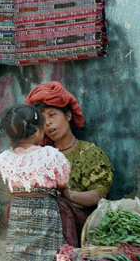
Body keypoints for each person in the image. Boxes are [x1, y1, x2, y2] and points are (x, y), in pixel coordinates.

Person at [25, 81, 114, 247]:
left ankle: (66, 254)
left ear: (68, 115)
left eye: (52, 115)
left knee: (58, 205)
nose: (48, 123)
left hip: (83, 222)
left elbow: (98, 195)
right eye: (43, 119)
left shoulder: (89, 153)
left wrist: (68, 195)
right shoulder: (41, 155)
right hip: (47, 221)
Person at [0, 104, 71, 261]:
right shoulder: (51, 155)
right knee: (47, 248)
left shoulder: (4, 158)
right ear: (37, 131)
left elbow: (11, 186)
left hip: (18, 211)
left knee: (19, 245)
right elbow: (63, 182)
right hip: (45, 212)